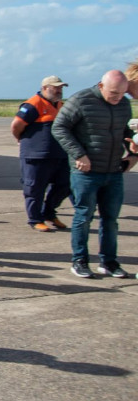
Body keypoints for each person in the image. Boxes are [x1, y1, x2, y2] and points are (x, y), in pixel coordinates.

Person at [52, 71, 134, 279]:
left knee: (111, 220)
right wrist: (79, 154)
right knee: (83, 216)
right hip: (86, 172)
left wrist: (132, 142)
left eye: (122, 94)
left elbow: (123, 130)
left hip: (113, 171)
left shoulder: (123, 104)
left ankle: (109, 262)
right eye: (113, 93)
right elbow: (59, 127)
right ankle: (79, 260)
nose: (117, 98)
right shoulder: (81, 100)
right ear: (100, 85)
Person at [11, 76, 72, 232]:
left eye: (61, 88)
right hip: (36, 156)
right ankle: (35, 219)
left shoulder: (61, 105)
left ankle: (49, 212)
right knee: (35, 189)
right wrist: (23, 140)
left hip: (59, 154)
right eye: (55, 87)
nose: (59, 91)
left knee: (65, 184)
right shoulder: (32, 105)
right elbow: (16, 126)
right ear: (45, 88)